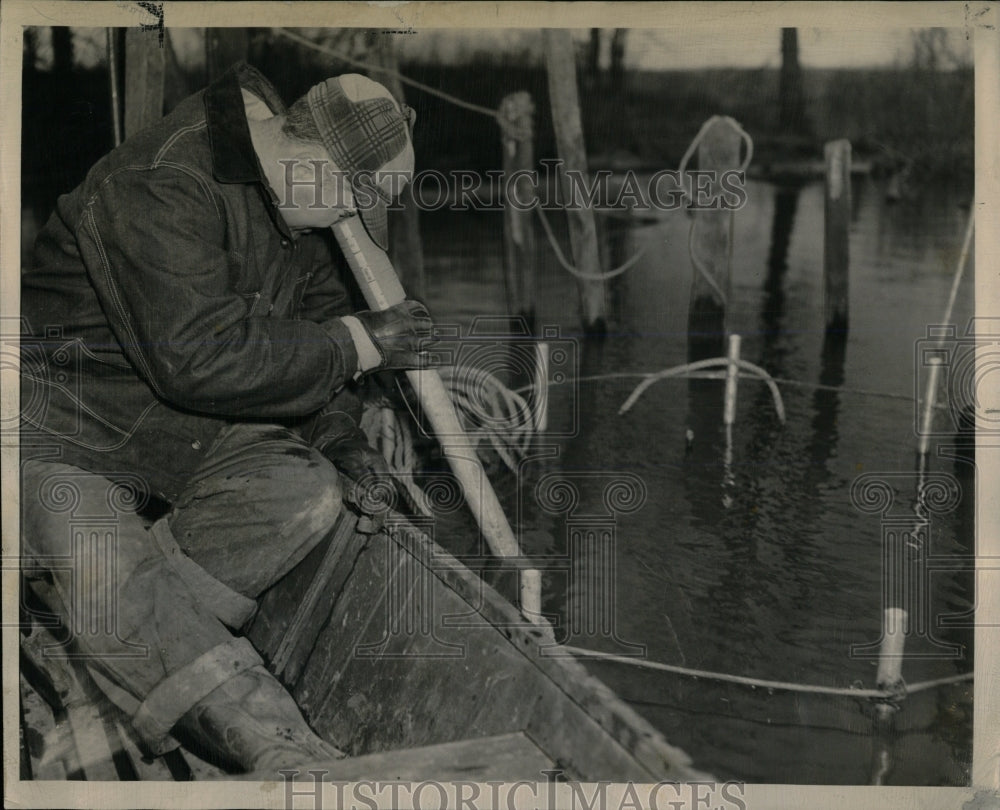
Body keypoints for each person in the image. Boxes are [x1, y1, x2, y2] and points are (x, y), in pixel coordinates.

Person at [19, 62, 433, 774]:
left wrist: (340, 439)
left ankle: (122, 653)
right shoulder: (159, 183)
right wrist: (362, 342)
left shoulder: (302, 200)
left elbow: (303, 334)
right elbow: (199, 357)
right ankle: (277, 747)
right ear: (312, 161)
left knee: (303, 494)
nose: (359, 225)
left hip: (175, 429)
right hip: (62, 431)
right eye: (361, 199)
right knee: (103, 565)